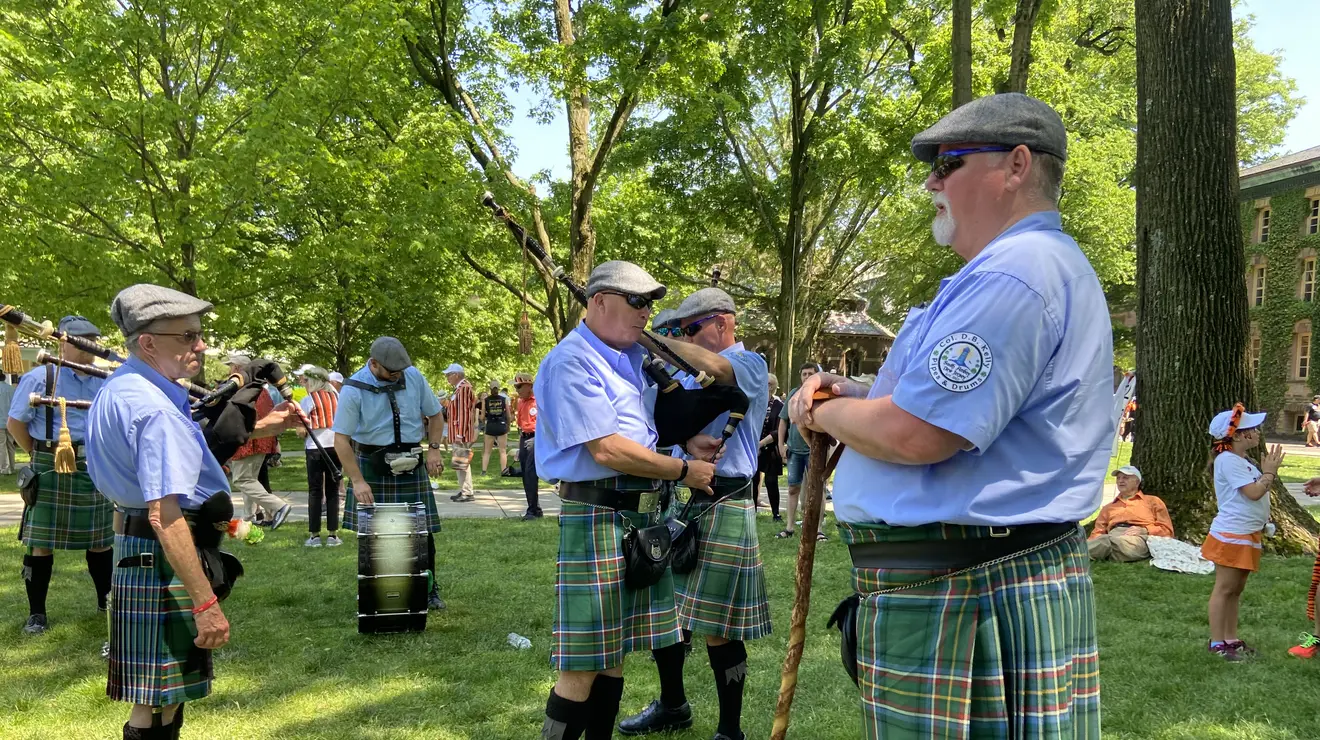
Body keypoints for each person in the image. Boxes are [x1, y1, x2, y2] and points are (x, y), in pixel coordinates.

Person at [791, 93, 1110, 737]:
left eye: (950, 162)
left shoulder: (1013, 275)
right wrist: (854, 395)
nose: (932, 182)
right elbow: (929, 408)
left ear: (1018, 165)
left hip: (971, 589)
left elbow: (917, 434)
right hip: (972, 580)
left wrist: (821, 410)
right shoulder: (1015, 271)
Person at [85, 284, 302, 739]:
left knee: (158, 700)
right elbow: (166, 514)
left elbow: (186, 452)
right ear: (148, 341)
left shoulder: (124, 387)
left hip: (136, 548)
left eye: (199, 334)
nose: (200, 345)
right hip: (163, 553)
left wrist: (262, 425)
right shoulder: (152, 409)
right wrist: (205, 604)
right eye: (187, 336)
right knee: (154, 706)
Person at [534, 260, 717, 740]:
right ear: (598, 301)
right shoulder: (573, 361)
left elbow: (639, 435)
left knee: (612, 656)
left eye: (651, 302)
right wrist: (683, 469)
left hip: (634, 516)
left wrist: (681, 447)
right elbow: (609, 448)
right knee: (583, 662)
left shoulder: (631, 361)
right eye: (636, 301)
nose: (646, 312)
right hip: (597, 514)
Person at [619, 287, 770, 740]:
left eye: (690, 329)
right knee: (667, 613)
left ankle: (730, 730)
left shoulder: (749, 365)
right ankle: (672, 704)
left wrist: (646, 336)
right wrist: (685, 445)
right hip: (681, 490)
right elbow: (663, 426)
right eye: (679, 331)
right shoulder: (686, 373)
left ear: (723, 323)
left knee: (719, 626)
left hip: (724, 497)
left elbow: (720, 372)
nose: (683, 337)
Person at [7, 316, 112, 635]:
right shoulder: (41, 377)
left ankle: (104, 603)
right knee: (41, 543)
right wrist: (43, 454)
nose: (88, 347)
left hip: (92, 464)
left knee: (100, 541)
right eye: (81, 341)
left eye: (92, 340)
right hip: (51, 463)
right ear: (63, 343)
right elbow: (15, 424)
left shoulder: (103, 379)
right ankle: (36, 614)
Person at [334, 337, 447, 611]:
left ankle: (429, 588)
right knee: (374, 532)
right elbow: (341, 440)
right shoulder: (353, 389)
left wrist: (433, 450)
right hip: (372, 463)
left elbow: (436, 415)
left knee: (422, 531)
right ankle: (373, 588)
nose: (397, 376)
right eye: (391, 372)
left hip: (410, 460)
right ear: (373, 363)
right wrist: (358, 481)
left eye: (400, 371)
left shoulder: (414, 376)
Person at [1201, 404, 1282, 661]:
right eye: (1251, 428)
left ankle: (1231, 638)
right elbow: (1253, 492)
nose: (1257, 432)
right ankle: (1217, 642)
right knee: (1225, 588)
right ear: (1236, 435)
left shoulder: (1241, 460)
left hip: (1247, 533)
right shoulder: (1227, 461)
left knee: (1236, 590)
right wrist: (1269, 473)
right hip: (1232, 534)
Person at [223, 352, 292, 529]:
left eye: (231, 366)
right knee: (250, 479)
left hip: (248, 442)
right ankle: (248, 517)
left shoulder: (241, 390)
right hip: (263, 441)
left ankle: (278, 506)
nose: (230, 370)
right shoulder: (262, 390)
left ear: (238, 368)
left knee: (241, 480)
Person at [777, 362, 825, 540]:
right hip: (794, 451)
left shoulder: (821, 395)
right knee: (792, 488)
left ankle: (819, 529)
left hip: (814, 450)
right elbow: (783, 420)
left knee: (817, 489)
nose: (806, 377)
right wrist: (781, 444)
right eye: (804, 374)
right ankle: (789, 527)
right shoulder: (793, 394)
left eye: (810, 374)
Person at [1087, 465, 1174, 562]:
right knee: (1107, 543)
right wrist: (1092, 542)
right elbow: (1098, 532)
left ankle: (1075, 555)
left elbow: (1167, 530)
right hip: (1113, 538)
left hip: (1138, 539)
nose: (1120, 481)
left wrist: (1145, 530)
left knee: (1106, 542)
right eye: (1118, 478)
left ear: (1137, 482)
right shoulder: (1108, 507)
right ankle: (1083, 555)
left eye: (1125, 477)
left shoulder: (1153, 501)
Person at [298, 366, 342, 547]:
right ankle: (333, 535)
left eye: (306, 380)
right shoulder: (337, 397)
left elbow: (301, 431)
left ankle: (315, 535)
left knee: (315, 491)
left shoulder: (307, 400)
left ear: (313, 381)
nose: (305, 383)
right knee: (333, 491)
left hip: (314, 449)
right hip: (335, 448)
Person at [443, 363, 476, 502]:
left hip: (460, 432)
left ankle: (467, 492)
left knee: (462, 462)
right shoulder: (461, 388)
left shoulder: (463, 389)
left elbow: (463, 413)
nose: (447, 378)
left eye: (448, 375)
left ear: (456, 374)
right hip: (458, 431)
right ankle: (464, 489)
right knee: (459, 462)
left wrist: (459, 434)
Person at [752, 374, 783, 521]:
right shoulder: (755, 404)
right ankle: (752, 511)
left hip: (770, 449)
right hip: (754, 448)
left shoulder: (779, 406)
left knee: (771, 481)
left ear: (775, 387)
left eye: (771, 384)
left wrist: (761, 443)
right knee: (754, 480)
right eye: (765, 384)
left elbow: (779, 431)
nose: (768, 387)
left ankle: (776, 513)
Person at [511, 372, 541, 520]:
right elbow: (521, 426)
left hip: (536, 438)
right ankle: (535, 508)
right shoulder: (520, 402)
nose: (517, 390)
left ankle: (532, 511)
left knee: (530, 474)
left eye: (519, 386)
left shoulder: (539, 400)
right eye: (516, 387)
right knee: (526, 475)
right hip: (525, 438)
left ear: (529, 385)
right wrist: (519, 447)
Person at [481, 379, 510, 476]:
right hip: (501, 425)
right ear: (499, 388)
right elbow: (509, 415)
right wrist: (508, 425)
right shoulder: (504, 399)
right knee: (502, 451)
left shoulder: (486, 400)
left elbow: (482, 416)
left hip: (490, 425)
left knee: (487, 451)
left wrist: (482, 419)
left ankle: (484, 471)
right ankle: (503, 471)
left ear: (490, 389)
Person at [0, 373, 15, 475]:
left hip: (0, 421)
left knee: (1, 445)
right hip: (11, 421)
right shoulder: (11, 389)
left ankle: (4, 468)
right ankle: (12, 467)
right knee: (11, 445)